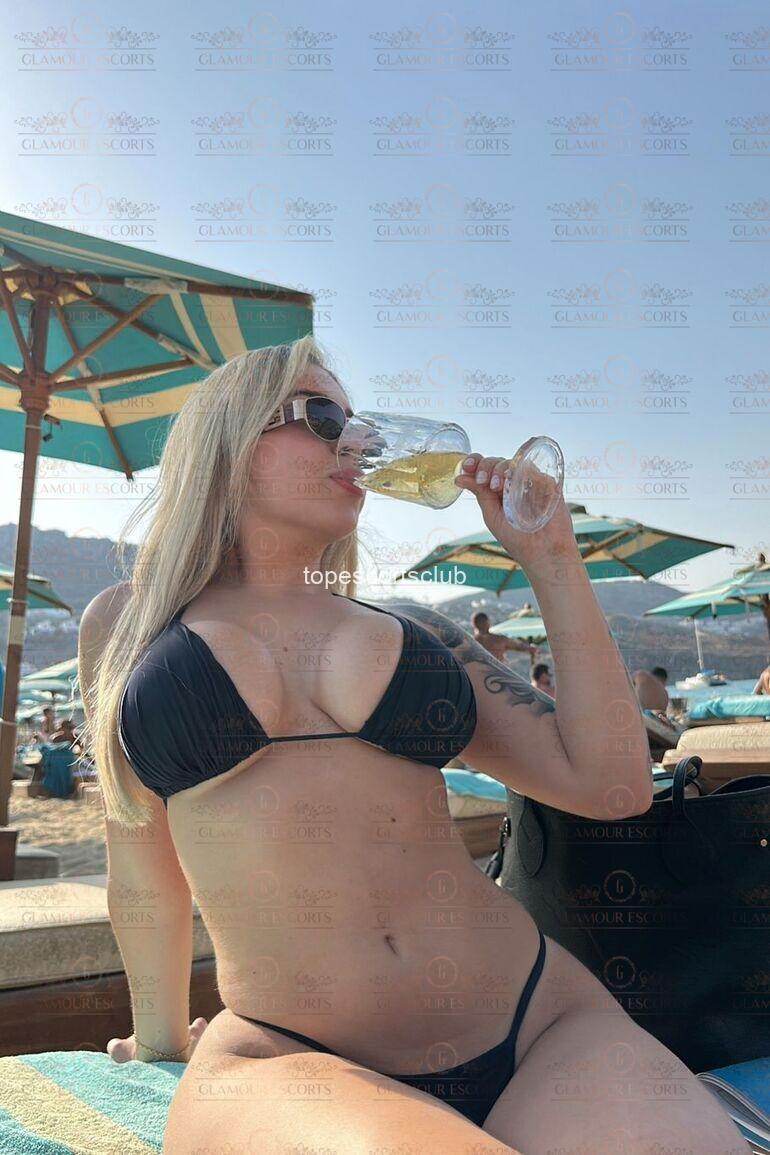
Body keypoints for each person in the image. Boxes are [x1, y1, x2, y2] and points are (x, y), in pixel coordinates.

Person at [78, 336, 745, 1155]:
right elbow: (141, 865)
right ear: (231, 435)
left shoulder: (416, 631)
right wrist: (158, 1045)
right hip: (293, 1054)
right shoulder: (128, 625)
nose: (358, 444)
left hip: (538, 1020)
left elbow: (613, 785)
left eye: (358, 423)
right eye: (324, 418)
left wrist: (552, 556)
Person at [470, 611, 538, 664]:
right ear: (488, 623)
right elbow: (519, 646)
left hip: (476, 675)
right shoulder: (499, 640)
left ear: (474, 625)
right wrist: (531, 648)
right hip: (498, 673)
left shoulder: (470, 642)